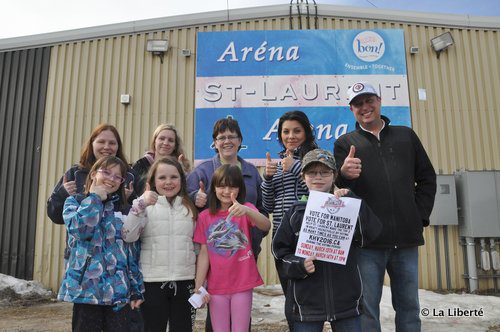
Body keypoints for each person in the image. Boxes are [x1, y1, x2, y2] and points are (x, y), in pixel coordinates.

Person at [333, 82, 437, 332]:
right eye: (358, 104)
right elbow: (336, 192)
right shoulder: (344, 143)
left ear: (379, 100)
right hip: (367, 244)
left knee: (409, 307)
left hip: (406, 239)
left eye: (369, 100)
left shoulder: (406, 135)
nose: (365, 107)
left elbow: (427, 178)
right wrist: (343, 174)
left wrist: (419, 216)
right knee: (367, 309)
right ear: (351, 109)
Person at [272, 149, 381, 332]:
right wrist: (299, 265)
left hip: (346, 302)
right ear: (303, 176)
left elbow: (371, 234)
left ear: (334, 175)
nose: (318, 177)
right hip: (306, 304)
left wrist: (352, 202)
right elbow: (279, 252)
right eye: (312, 172)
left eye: (325, 172)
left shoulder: (348, 205)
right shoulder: (295, 212)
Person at [57, 156, 144, 332]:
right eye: (106, 172)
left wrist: (136, 289)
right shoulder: (74, 202)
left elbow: (131, 252)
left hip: (118, 292)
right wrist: (95, 198)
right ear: (93, 174)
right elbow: (82, 230)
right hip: (86, 293)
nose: (111, 179)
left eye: (117, 176)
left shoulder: (123, 210)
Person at [122, 157, 198, 332]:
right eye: (162, 178)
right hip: (152, 282)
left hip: (185, 281)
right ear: (153, 182)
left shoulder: (189, 208)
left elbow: (196, 246)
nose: (168, 182)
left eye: (174, 177)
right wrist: (141, 204)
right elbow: (128, 236)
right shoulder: (144, 206)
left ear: (182, 179)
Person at [193, 164, 271, 332]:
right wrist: (199, 286)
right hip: (216, 286)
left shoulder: (246, 209)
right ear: (213, 188)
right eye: (221, 185)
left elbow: (265, 225)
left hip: (242, 283)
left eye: (232, 186)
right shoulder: (204, 217)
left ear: (240, 188)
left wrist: (247, 211)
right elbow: (204, 254)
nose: (227, 191)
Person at [260, 110, 318, 330]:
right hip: (282, 239)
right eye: (285, 131)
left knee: (310, 295)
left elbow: (318, 194)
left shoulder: (316, 157)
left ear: (306, 132)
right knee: (291, 296)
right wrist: (267, 178)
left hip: (309, 236)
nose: (290, 136)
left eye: (296, 131)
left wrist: (295, 167)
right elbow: (268, 206)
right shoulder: (279, 161)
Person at [47, 123, 140, 225]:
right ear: (92, 144)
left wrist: (130, 199)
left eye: (112, 143)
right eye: (101, 142)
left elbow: (143, 214)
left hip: (118, 239)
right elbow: (55, 216)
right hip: (83, 239)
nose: (106, 147)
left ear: (118, 147)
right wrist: (62, 194)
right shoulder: (75, 173)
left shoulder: (129, 175)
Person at [133, 123, 191, 194]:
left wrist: (181, 172)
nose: (166, 143)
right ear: (154, 141)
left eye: (171, 140)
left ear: (175, 145)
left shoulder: (182, 166)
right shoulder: (141, 165)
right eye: (162, 138)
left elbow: (187, 193)